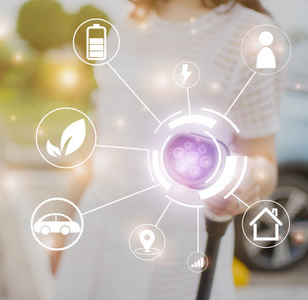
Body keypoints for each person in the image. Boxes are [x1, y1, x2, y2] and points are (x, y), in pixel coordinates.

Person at [53, 0, 282, 299]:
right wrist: (63, 223)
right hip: (99, 230)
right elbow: (98, 142)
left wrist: (247, 180)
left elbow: (263, 161)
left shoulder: (251, 35)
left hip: (181, 252)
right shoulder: (130, 22)